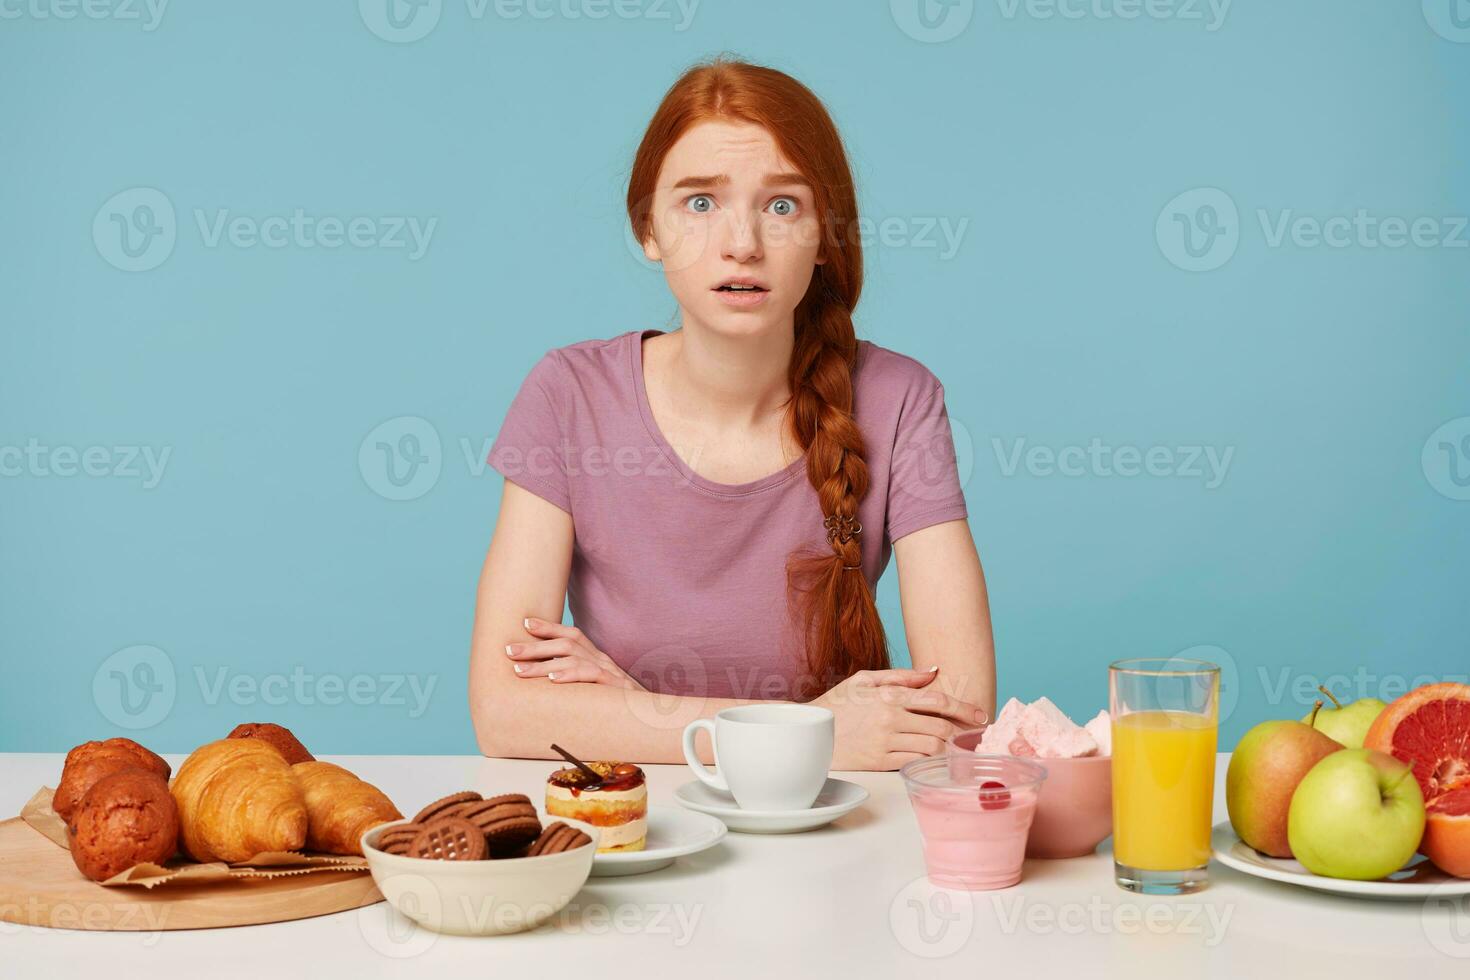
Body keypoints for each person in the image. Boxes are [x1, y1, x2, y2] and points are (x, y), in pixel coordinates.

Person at [468, 57, 995, 771]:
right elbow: (504, 715)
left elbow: (959, 713)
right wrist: (812, 733)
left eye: (782, 206)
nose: (741, 243)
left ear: (822, 237)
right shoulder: (569, 395)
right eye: (700, 202)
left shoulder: (899, 400)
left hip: (829, 834)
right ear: (648, 230)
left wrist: (634, 710)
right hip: (639, 829)